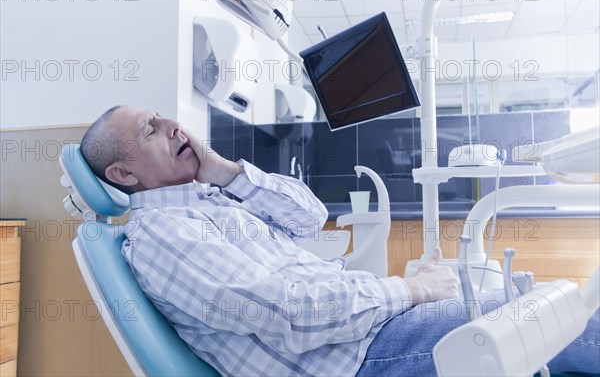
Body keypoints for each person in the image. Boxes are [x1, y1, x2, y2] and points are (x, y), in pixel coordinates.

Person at [80, 105, 600, 376]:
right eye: (152, 129)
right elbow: (287, 312)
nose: (173, 125)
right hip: (353, 360)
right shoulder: (161, 237)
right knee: (564, 316)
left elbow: (308, 218)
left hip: (367, 332)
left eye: (163, 118)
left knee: (548, 304)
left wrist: (223, 171)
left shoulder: (208, 199)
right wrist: (411, 290)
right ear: (124, 173)